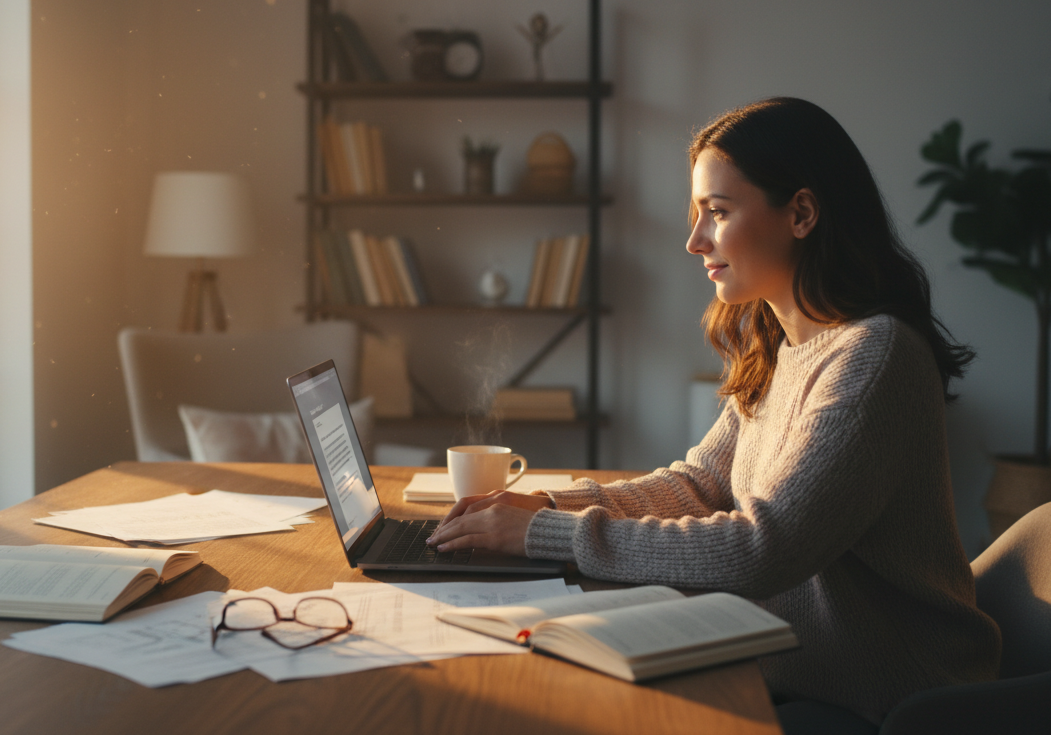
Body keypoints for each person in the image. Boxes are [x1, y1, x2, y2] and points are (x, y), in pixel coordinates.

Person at [426, 97, 1001, 729]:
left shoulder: (874, 357)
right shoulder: (784, 346)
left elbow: (762, 549)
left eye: (717, 213)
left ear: (801, 213)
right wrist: (544, 509)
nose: (695, 239)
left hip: (887, 705)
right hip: (792, 674)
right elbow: (698, 486)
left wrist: (546, 536)